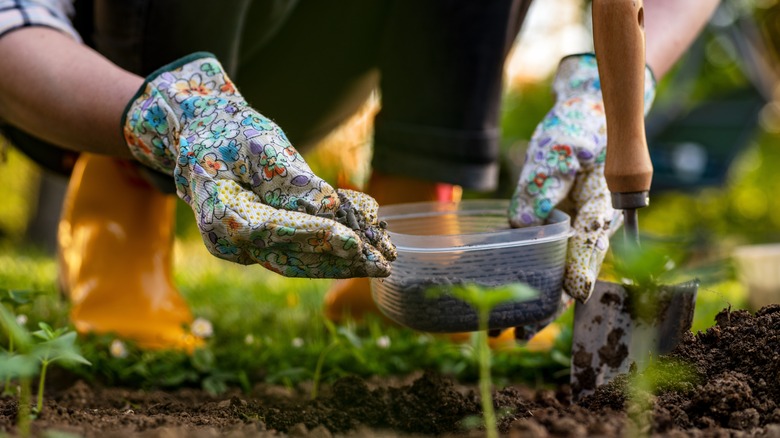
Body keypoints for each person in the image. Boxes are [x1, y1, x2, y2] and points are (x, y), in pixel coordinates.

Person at [0, 0, 719, 349]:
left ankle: (413, 213)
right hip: (90, 80)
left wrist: (614, 93)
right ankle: (123, 213)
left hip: (313, 62)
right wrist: (165, 117)